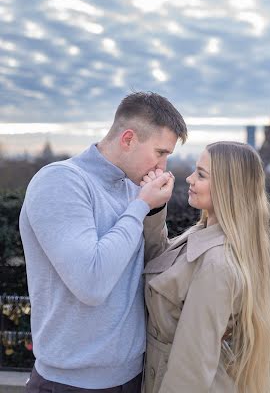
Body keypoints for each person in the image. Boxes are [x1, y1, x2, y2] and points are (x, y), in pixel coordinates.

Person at [19, 91, 187, 393]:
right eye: (160, 152)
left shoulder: (132, 187)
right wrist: (139, 207)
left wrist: (153, 209)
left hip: (133, 377)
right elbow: (91, 282)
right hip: (68, 384)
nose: (162, 167)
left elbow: (153, 263)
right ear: (128, 139)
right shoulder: (60, 182)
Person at [142, 141, 270, 393]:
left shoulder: (217, 263)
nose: (189, 178)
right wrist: (153, 210)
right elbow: (157, 265)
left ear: (229, 187)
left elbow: (192, 365)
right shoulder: (204, 234)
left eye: (201, 175)